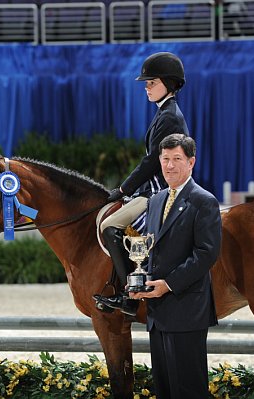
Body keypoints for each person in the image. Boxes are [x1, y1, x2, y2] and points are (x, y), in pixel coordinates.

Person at [94, 52, 189, 317]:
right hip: (152, 189)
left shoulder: (170, 116)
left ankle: (130, 296)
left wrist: (122, 190)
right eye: (146, 83)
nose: (146, 87)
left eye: (151, 83)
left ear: (169, 84)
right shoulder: (165, 113)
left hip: (159, 192)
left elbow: (150, 163)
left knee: (110, 226)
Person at [130, 134, 221, 398]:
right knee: (165, 389)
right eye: (165, 159)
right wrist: (140, 278)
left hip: (186, 310)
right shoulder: (156, 200)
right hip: (157, 314)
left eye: (177, 159)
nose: (169, 166)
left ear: (191, 162)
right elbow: (152, 250)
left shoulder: (204, 201)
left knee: (188, 390)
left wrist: (168, 284)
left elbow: (206, 254)